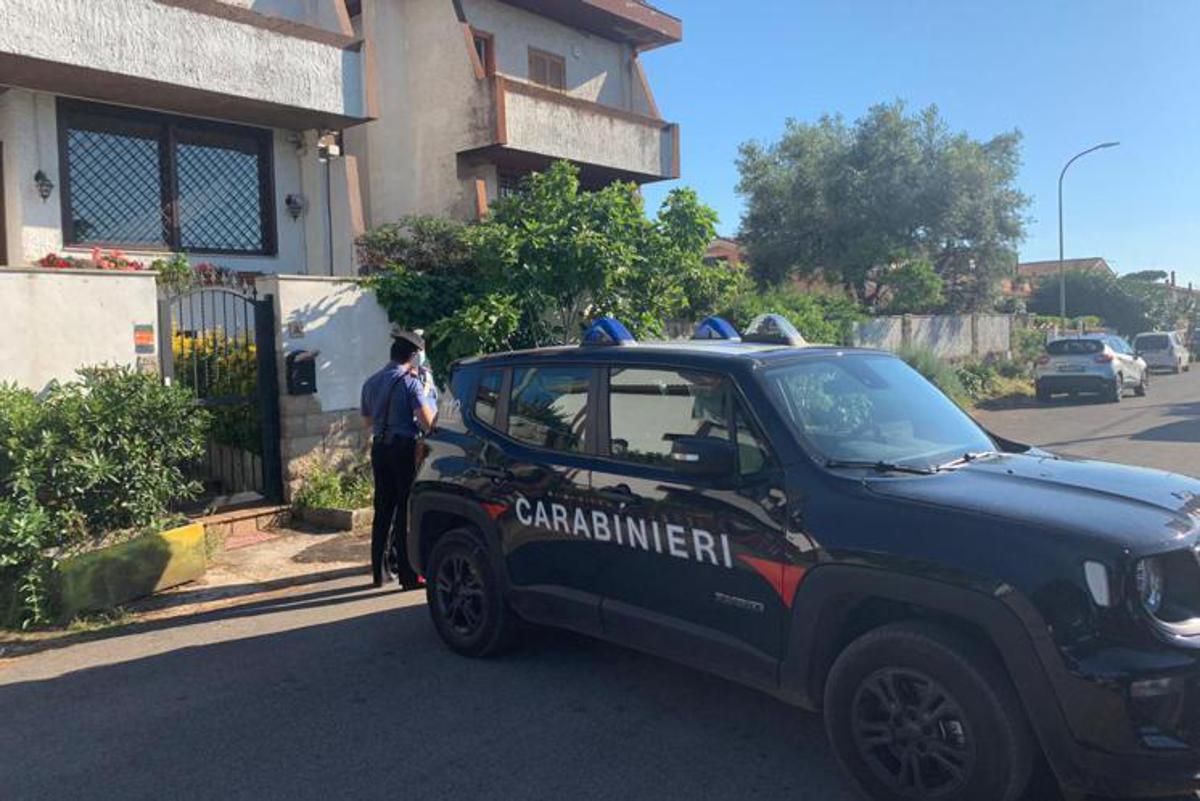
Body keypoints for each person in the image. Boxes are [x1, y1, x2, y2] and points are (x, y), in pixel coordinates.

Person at [360, 331, 437, 589]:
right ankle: (407, 574)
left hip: (379, 448)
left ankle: (379, 572)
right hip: (403, 449)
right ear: (413, 356)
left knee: (383, 509)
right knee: (404, 510)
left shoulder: (370, 382)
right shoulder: (410, 383)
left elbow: (367, 421)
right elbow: (427, 422)